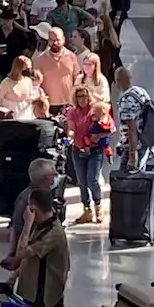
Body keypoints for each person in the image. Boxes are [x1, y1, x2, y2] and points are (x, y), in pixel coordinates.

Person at [65, 86, 111, 225]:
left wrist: (99, 135)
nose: (82, 99)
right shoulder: (72, 112)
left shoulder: (96, 110)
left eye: (85, 96)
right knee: (82, 181)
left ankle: (98, 207)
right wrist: (70, 136)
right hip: (78, 149)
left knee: (92, 180)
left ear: (89, 96)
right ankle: (86, 210)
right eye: (79, 96)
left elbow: (110, 128)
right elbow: (71, 127)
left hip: (94, 150)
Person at [33, 27, 79, 112]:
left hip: (68, 103)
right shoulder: (40, 60)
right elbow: (35, 83)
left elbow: (77, 79)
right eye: (51, 40)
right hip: (47, 105)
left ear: (64, 39)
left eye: (57, 39)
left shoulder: (72, 57)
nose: (54, 42)